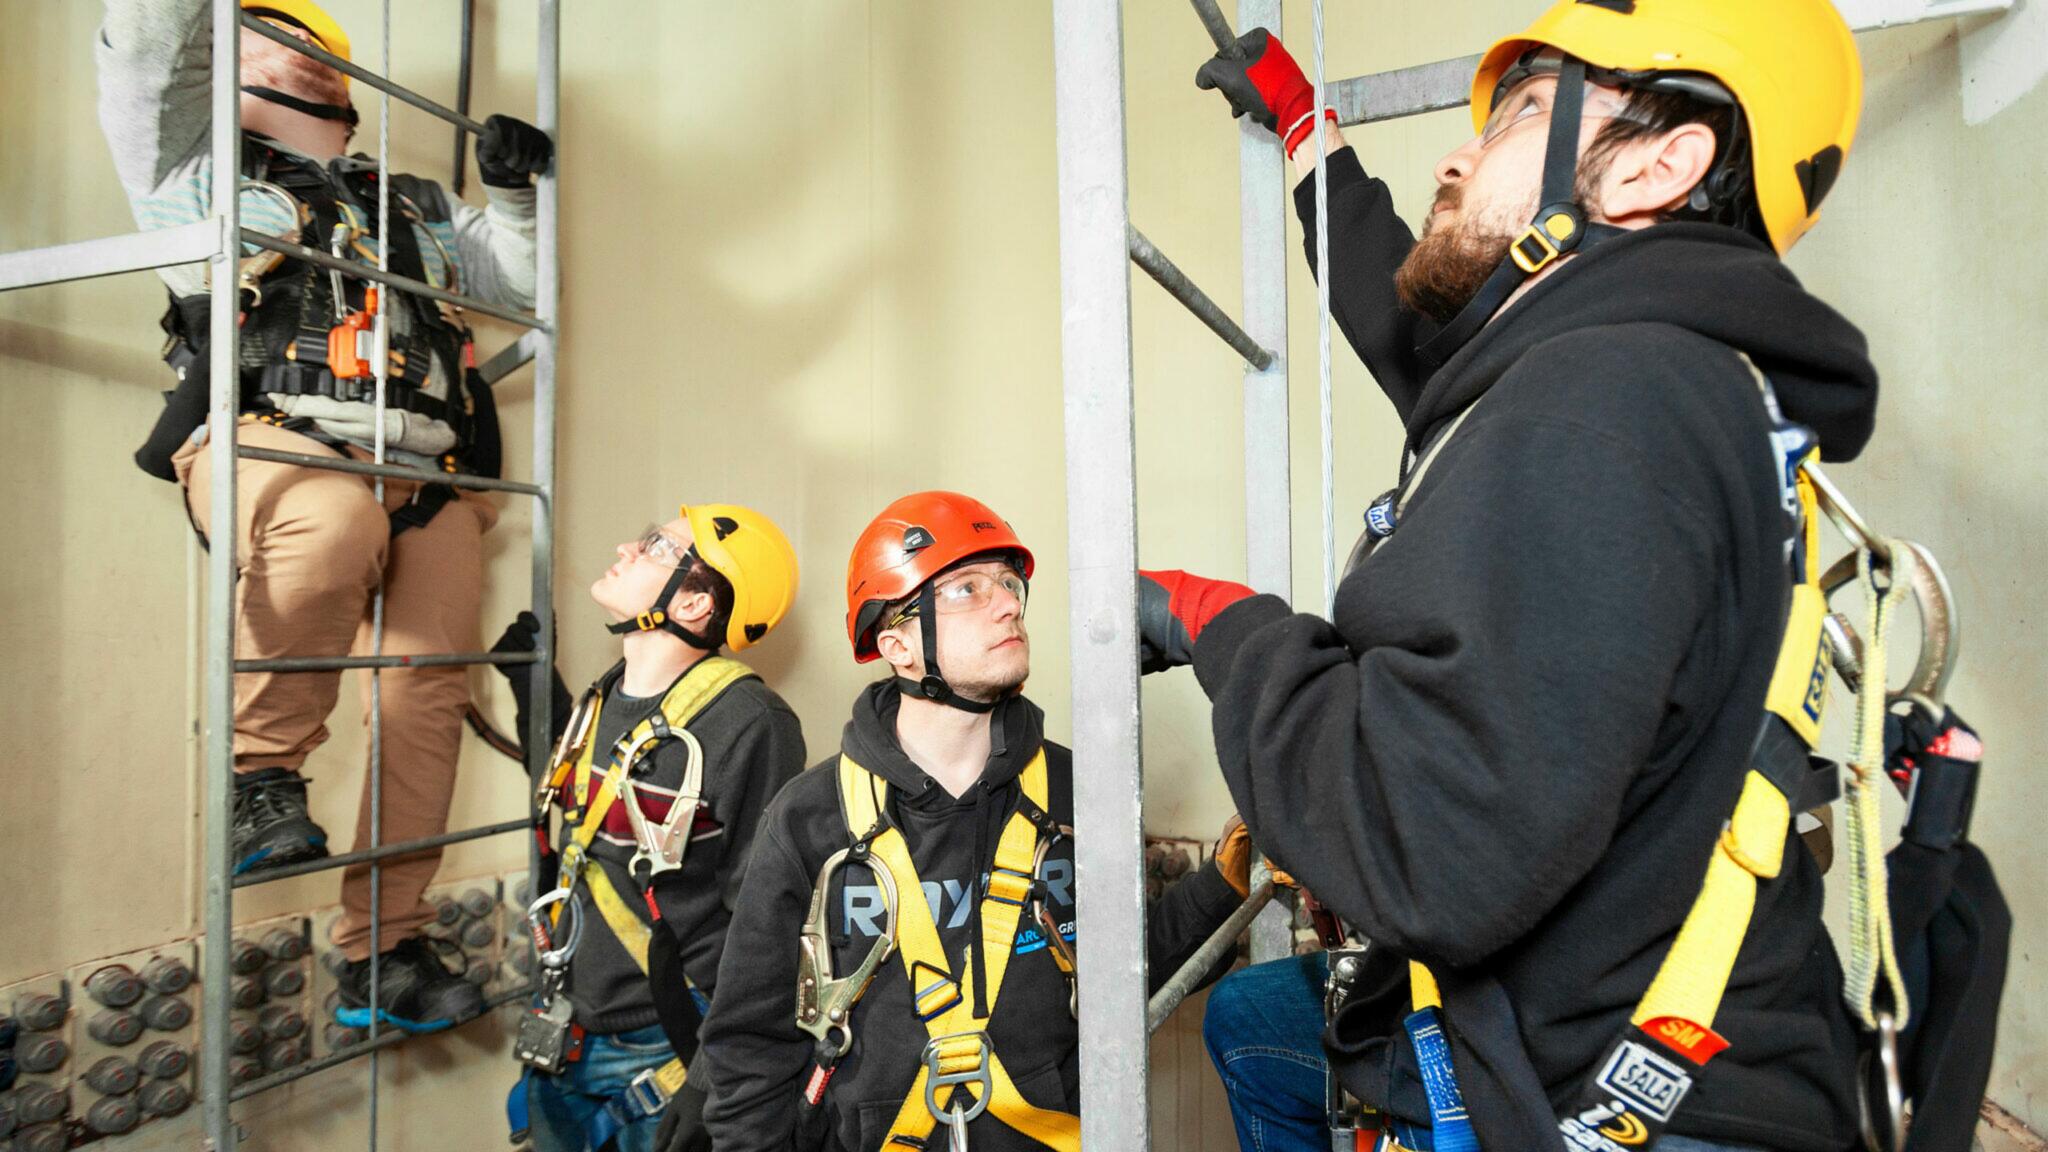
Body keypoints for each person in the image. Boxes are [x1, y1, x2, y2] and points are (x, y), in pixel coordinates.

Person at [1165, 1, 1878, 1149]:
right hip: (1675, 1039)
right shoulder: (1656, 374)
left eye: (1525, 112)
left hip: (1616, 1099)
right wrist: (1308, 135)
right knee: (1259, 1021)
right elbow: (1418, 337)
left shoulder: (1606, 403)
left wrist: (1230, 632)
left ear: (1659, 163)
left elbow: (1415, 848)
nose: (1458, 149)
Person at [96, 0, 553, 1032]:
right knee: (334, 522)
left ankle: (383, 946)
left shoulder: (420, 208)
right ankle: (262, 781)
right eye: (271, 38)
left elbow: (523, 283)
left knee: (425, 691)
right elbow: (144, 53)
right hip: (272, 441)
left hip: (426, 473)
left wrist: (519, 198)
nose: (302, 55)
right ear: (224, 56)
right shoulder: (196, 178)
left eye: (316, 49)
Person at [698, 491, 1249, 1152]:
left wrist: (1222, 884)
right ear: (899, 644)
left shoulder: (1080, 793)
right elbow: (749, 1051)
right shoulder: (811, 818)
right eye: (966, 589)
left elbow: (1133, 973)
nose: (1009, 603)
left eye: (1009, 583)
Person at [494, 504, 808, 1152]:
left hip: (661, 1046)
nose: (627, 549)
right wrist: (535, 691)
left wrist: (718, 1076)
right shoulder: (605, 695)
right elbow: (587, 814)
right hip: (567, 1026)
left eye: (656, 547)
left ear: (694, 603)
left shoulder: (750, 722)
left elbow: (765, 921)